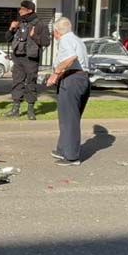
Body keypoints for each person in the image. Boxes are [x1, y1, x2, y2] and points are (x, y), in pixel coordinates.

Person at [46, 17, 91, 166]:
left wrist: (56, 73)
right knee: (69, 117)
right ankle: (63, 149)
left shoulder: (65, 40)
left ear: (57, 32)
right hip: (82, 79)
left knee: (69, 119)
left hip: (72, 79)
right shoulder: (77, 40)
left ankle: (71, 156)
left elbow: (71, 57)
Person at [4, 0, 51, 120]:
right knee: (17, 83)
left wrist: (33, 36)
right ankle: (15, 109)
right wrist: (11, 28)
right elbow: (8, 38)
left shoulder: (40, 24)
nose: (19, 11)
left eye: (22, 9)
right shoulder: (19, 23)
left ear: (29, 11)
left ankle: (31, 110)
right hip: (18, 58)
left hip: (31, 59)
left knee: (31, 83)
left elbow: (46, 42)